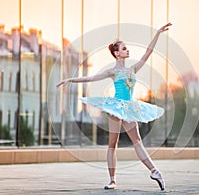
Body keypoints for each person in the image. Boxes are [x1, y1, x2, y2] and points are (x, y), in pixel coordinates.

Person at [56, 23, 172, 191]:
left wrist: (158, 33)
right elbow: (91, 78)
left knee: (137, 141)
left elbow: (148, 52)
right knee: (113, 144)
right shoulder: (112, 71)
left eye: (127, 48)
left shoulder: (133, 69)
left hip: (129, 107)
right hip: (116, 107)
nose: (127, 50)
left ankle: (155, 172)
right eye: (124, 49)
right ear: (117, 53)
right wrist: (70, 80)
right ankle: (112, 180)